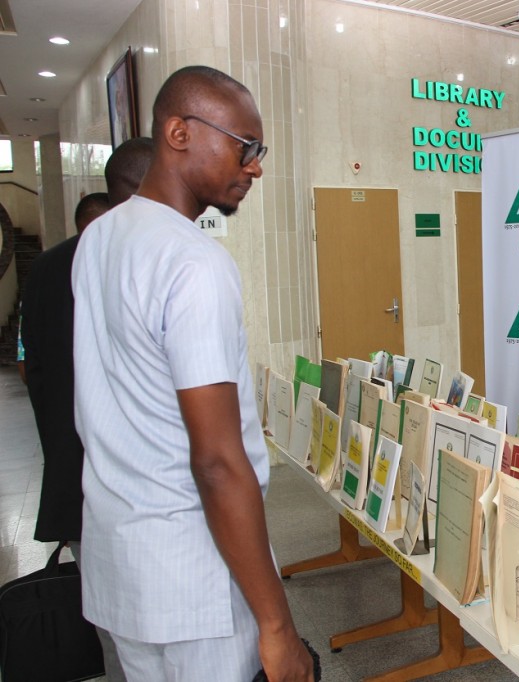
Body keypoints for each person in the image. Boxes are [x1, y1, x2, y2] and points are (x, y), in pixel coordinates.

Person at [72, 65, 313, 682]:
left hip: (121, 565)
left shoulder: (99, 240)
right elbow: (216, 460)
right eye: (245, 146)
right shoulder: (194, 262)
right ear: (178, 132)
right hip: (194, 576)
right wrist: (278, 625)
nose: (255, 166)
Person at [23, 139, 155, 682]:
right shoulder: (138, 260)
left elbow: (36, 370)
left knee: (113, 621)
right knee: (149, 628)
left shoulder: (46, 270)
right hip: (133, 488)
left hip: (72, 479)